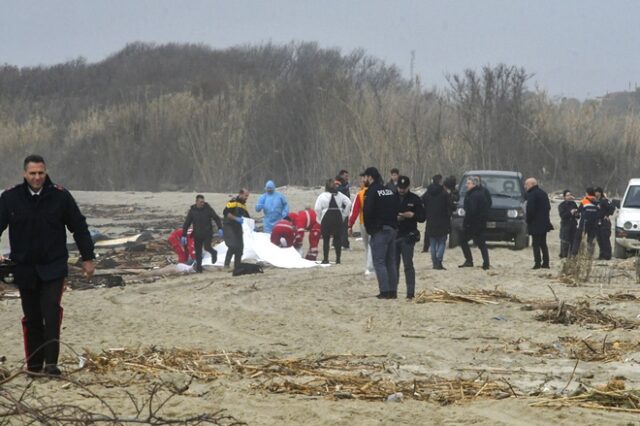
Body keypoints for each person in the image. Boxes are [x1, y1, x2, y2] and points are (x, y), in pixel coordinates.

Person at [0, 155, 95, 376]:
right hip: (24, 267)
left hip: (53, 266)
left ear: (46, 172)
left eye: (40, 173)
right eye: (32, 173)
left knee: (51, 313)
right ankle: (34, 366)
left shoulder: (60, 196)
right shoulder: (10, 198)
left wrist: (88, 258)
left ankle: (51, 365)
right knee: (32, 317)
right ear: (25, 174)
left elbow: (79, 227)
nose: (37, 177)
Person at [363, 167, 400, 299]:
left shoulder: (372, 191)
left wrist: (370, 229)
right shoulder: (388, 190)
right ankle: (393, 292)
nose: (363, 180)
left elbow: (367, 212)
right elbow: (396, 208)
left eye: (365, 177)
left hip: (380, 230)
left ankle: (384, 292)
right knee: (391, 261)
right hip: (392, 229)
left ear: (370, 177)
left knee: (379, 262)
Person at [395, 176, 425, 299]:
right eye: (400, 188)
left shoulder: (415, 199)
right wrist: (395, 217)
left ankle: (410, 293)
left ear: (408, 187)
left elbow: (423, 217)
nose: (401, 190)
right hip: (394, 235)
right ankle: (392, 291)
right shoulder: (391, 198)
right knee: (393, 265)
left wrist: (412, 215)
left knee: (408, 265)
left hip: (408, 236)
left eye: (404, 188)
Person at [314, 179, 352, 264]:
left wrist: (319, 217)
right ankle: (338, 259)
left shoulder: (322, 195)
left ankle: (326, 259)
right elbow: (349, 203)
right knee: (337, 238)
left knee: (326, 239)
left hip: (326, 218)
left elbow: (317, 208)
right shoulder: (340, 195)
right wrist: (344, 215)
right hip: (337, 217)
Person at [182, 194, 222, 272]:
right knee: (198, 253)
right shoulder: (192, 211)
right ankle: (199, 269)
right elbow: (187, 223)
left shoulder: (208, 209)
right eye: (201, 202)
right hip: (197, 234)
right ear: (196, 202)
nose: (202, 203)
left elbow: (216, 218)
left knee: (207, 247)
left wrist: (220, 228)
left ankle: (214, 253)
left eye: (203, 202)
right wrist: (183, 235)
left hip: (208, 233)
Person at [458, 176, 491, 270]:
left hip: (474, 223)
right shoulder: (479, 193)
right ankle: (485, 263)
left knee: (464, 240)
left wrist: (466, 223)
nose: (466, 185)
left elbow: (471, 211)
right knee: (481, 243)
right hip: (480, 222)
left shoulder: (474, 195)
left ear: (474, 184)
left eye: (468, 183)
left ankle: (469, 261)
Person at [422, 174, 452, 270]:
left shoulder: (427, 193)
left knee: (433, 242)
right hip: (443, 220)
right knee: (442, 242)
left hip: (431, 220)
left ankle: (434, 262)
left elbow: (422, 201)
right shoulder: (444, 194)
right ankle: (439, 261)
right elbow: (449, 206)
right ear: (440, 181)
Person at [348, 174, 375, 277]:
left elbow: (354, 212)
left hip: (363, 223)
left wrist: (350, 225)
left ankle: (369, 267)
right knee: (372, 245)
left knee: (367, 246)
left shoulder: (360, 194)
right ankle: (371, 266)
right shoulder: (375, 192)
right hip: (374, 223)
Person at [524, 178, 553, 269]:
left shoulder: (532, 194)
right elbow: (548, 207)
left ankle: (537, 263)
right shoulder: (543, 193)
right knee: (543, 243)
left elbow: (530, 209)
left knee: (535, 244)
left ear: (532, 184)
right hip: (544, 222)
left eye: (526, 184)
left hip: (535, 222)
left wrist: (528, 220)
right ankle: (546, 262)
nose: (525, 186)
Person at [223, 189, 250, 270]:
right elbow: (226, 213)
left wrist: (252, 225)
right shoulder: (232, 202)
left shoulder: (243, 205)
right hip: (229, 226)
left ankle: (237, 265)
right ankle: (226, 265)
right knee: (233, 245)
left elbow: (247, 217)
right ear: (241, 194)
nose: (247, 198)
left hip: (238, 227)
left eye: (247, 196)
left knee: (240, 247)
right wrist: (236, 218)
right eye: (246, 196)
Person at [572, 187, 599, 257]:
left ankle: (574, 254)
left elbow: (578, 212)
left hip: (584, 223)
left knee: (577, 238)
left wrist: (575, 214)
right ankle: (590, 255)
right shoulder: (597, 201)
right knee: (590, 239)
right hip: (594, 224)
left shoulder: (584, 201)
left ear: (587, 193)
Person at [595, 186, 615, 260]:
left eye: (596, 192)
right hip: (597, 222)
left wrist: (607, 215)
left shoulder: (604, 200)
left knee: (605, 239)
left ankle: (607, 255)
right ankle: (602, 254)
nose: (595, 193)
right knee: (599, 239)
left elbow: (612, 208)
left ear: (599, 193)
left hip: (604, 223)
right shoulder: (596, 201)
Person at [558, 190, 579, 258]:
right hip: (565, 224)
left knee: (574, 240)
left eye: (570, 195)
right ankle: (563, 255)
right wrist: (570, 212)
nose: (569, 197)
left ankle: (573, 255)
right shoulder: (561, 205)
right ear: (564, 197)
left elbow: (578, 215)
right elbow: (562, 215)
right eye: (567, 195)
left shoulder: (573, 203)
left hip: (573, 224)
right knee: (564, 240)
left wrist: (576, 213)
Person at [336, 170, 351, 250]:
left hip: (345, 207)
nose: (347, 178)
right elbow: (338, 191)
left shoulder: (345, 184)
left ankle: (340, 243)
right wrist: (346, 187)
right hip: (340, 208)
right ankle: (344, 244)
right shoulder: (337, 183)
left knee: (342, 226)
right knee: (343, 226)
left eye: (347, 176)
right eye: (345, 176)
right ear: (341, 176)